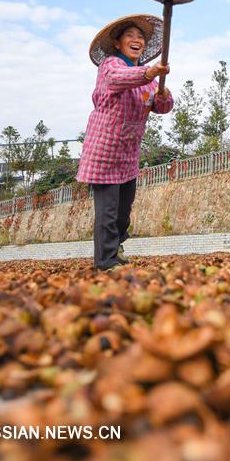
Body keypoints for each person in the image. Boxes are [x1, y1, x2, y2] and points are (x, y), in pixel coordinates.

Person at [76, 15, 173, 270]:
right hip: (104, 150)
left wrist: (163, 92)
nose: (137, 40)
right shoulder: (110, 65)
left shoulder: (149, 80)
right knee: (107, 212)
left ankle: (117, 244)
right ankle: (105, 261)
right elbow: (119, 79)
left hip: (128, 152)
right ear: (118, 43)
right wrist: (149, 72)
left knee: (122, 212)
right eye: (130, 35)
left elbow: (161, 107)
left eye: (140, 37)